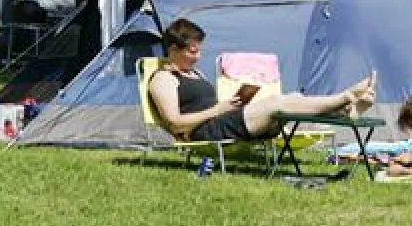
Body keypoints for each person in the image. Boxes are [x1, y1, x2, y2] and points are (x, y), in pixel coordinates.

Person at [148, 18, 376, 142]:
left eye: (199, 51)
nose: (198, 57)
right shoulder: (163, 79)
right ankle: (343, 97)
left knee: (292, 98)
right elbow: (175, 123)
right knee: (278, 103)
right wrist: (217, 110)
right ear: (173, 49)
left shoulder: (195, 74)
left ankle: (345, 113)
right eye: (192, 51)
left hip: (226, 120)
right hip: (209, 130)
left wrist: (233, 102)